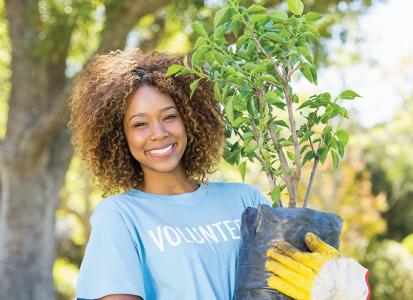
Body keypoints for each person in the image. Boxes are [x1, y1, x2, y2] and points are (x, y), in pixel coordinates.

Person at [70, 48, 369, 300]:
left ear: (190, 118)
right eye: (139, 124)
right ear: (118, 136)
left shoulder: (245, 200)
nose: (158, 133)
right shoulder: (120, 216)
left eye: (169, 116)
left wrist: (337, 289)